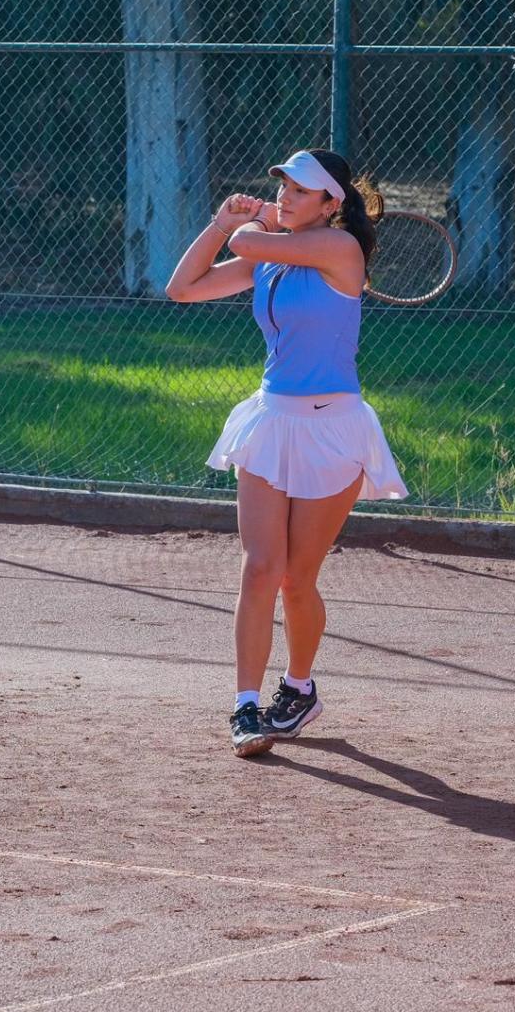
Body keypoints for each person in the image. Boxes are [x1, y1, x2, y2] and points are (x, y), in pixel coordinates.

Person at [166, 148, 407, 758]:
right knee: (260, 568)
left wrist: (250, 226)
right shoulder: (270, 256)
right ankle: (246, 706)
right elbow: (182, 289)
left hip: (335, 429)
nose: (285, 196)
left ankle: (299, 689)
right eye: (283, 187)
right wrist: (219, 224)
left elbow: (250, 242)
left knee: (299, 580)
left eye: (300, 190)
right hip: (272, 422)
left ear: (330, 205)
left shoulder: (340, 249)